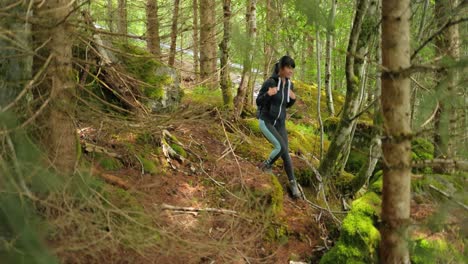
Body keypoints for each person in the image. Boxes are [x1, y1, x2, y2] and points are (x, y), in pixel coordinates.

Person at [256, 55, 300, 199]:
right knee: (280, 147)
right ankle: (266, 165)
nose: (290, 71)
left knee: (285, 152)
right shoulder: (270, 82)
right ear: (281, 68)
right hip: (266, 121)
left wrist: (292, 100)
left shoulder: (289, 85)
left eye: (292, 68)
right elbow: (258, 101)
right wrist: (268, 94)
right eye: (288, 67)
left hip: (280, 124)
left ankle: (293, 182)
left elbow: (284, 104)